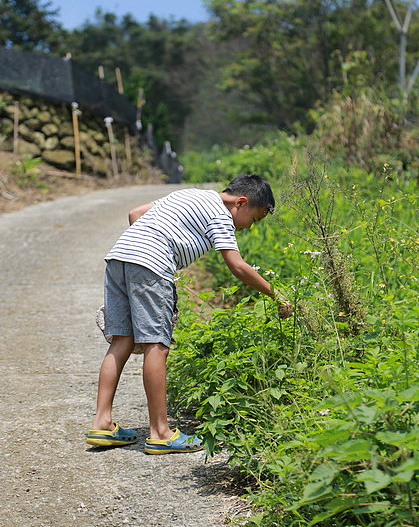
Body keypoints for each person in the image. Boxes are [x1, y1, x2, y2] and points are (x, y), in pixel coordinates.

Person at [86, 174, 292, 454]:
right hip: (149, 265)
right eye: (253, 220)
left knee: (121, 340)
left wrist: (149, 245)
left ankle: (102, 422)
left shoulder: (192, 194)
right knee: (156, 345)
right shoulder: (221, 216)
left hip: (120, 256)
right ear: (241, 203)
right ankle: (161, 432)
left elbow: (136, 213)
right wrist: (276, 293)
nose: (248, 227)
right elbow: (237, 266)